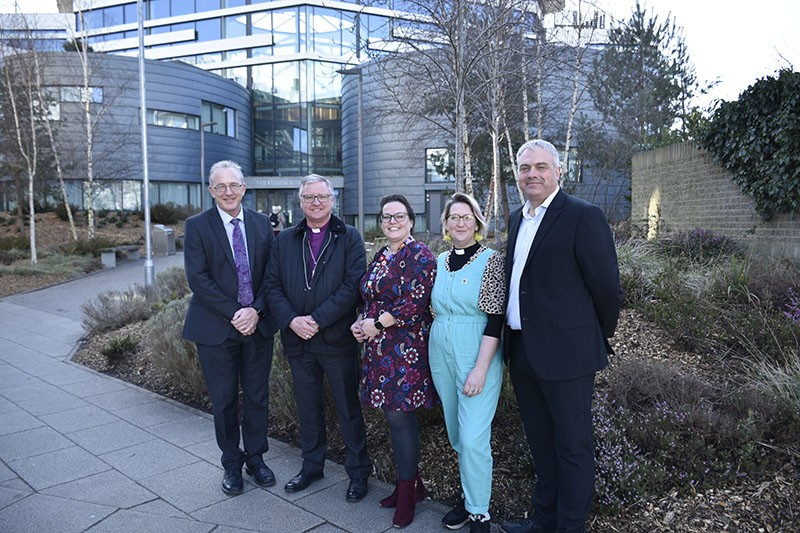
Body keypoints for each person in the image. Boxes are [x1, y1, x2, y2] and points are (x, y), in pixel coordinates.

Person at [501, 140, 622, 533]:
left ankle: (570, 527)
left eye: (540, 167)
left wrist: (590, 337)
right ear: (517, 174)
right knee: (541, 443)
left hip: (568, 356)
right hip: (523, 352)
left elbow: (606, 289)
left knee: (572, 447)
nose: (532, 174)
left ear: (557, 172)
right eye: (524, 168)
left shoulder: (582, 216)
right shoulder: (518, 218)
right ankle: (543, 521)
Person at [265, 174, 372, 503]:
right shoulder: (283, 240)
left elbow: (353, 285)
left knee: (347, 409)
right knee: (307, 409)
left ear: (332, 199)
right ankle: (312, 466)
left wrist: (317, 319)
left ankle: (358, 473)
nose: (315, 202)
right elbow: (272, 285)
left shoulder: (349, 237)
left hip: (337, 341)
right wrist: (293, 321)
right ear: (300, 202)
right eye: (309, 197)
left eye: (321, 197)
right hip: (299, 341)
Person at [182, 160, 277, 496]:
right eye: (220, 186)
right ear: (211, 191)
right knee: (223, 401)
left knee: (256, 397)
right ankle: (232, 465)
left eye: (233, 185)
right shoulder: (197, 226)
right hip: (216, 329)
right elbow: (199, 279)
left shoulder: (262, 224)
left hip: (258, 326)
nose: (228, 192)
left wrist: (257, 310)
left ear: (243, 189)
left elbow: (271, 274)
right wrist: (239, 312)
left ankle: (256, 459)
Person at [350, 194, 437, 529]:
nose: (392, 222)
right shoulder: (383, 254)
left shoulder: (420, 253)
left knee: (400, 419)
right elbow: (369, 296)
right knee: (392, 418)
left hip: (405, 351)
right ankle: (414, 486)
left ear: (411, 220)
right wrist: (361, 322)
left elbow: (416, 299)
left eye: (399, 216)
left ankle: (406, 494)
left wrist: (376, 324)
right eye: (386, 217)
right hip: (378, 350)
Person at [428, 193, 505, 533]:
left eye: (466, 217)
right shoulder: (441, 260)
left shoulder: (491, 261)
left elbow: (495, 319)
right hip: (441, 348)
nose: (460, 223)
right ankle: (469, 495)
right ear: (445, 224)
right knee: (458, 432)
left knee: (474, 436)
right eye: (453, 217)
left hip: (477, 349)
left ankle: (480, 513)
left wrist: (480, 368)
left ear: (477, 222)